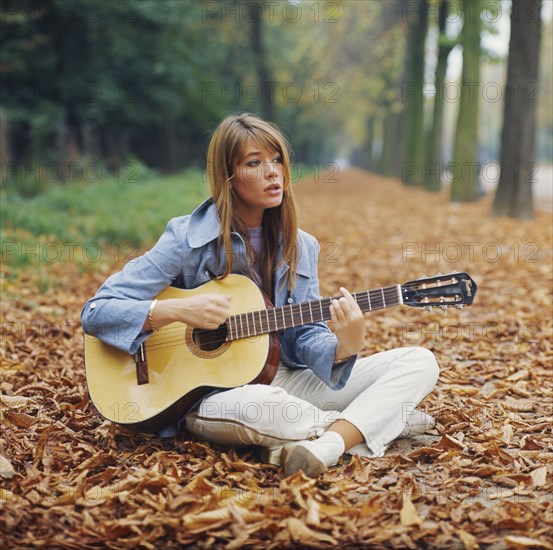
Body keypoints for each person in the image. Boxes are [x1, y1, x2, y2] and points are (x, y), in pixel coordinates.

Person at [81, 113, 439, 477]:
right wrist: (175, 311)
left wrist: (343, 347)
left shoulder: (302, 246)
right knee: (269, 409)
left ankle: (327, 445)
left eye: (277, 160)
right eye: (254, 163)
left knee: (419, 361)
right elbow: (97, 311)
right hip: (211, 396)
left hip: (281, 377)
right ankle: (382, 420)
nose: (272, 172)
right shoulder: (186, 238)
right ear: (229, 177)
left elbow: (303, 337)